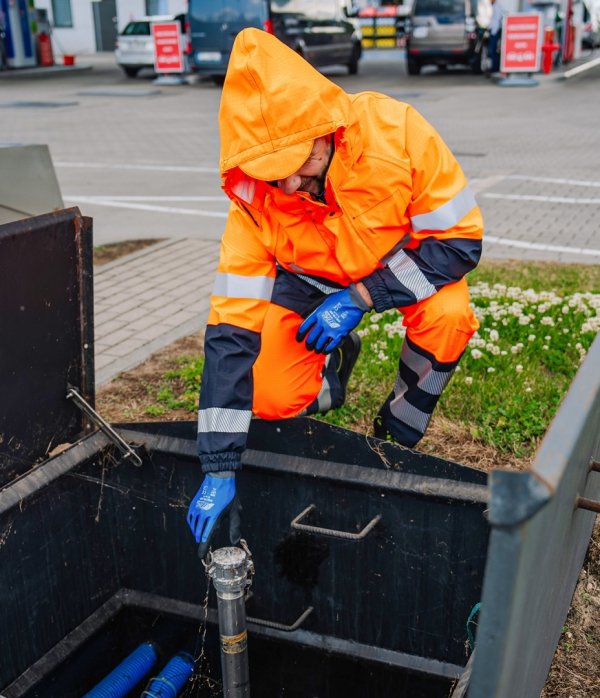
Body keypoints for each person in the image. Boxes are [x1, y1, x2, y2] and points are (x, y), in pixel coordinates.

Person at [186, 28, 483, 554]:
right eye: (272, 176)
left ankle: (397, 432)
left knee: (450, 315)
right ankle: (331, 366)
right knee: (272, 397)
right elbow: (231, 329)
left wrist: (360, 298)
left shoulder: (397, 131)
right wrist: (219, 463)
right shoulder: (255, 201)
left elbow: (459, 244)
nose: (289, 188)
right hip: (307, 281)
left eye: (296, 166)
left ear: (326, 129)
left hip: (399, 266)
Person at [488, 0, 504, 75]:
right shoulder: (493, 5)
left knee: (493, 50)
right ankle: (494, 67)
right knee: (493, 51)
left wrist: (493, 32)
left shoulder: (497, 6)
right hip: (494, 31)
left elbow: (497, 20)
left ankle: (495, 68)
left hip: (495, 31)